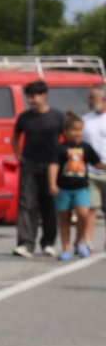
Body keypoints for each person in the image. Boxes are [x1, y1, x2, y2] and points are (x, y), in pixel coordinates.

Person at [11, 80, 64, 257]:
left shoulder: (57, 116)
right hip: (29, 164)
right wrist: (18, 156)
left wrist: (62, 161)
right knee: (27, 204)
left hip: (51, 165)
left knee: (49, 204)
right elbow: (15, 138)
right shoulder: (24, 117)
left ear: (44, 95)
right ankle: (25, 244)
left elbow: (67, 139)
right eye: (29, 96)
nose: (31, 100)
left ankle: (48, 242)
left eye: (34, 96)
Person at [49, 113, 101, 261]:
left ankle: (80, 242)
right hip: (64, 189)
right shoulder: (60, 149)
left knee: (83, 214)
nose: (77, 133)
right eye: (74, 130)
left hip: (81, 188)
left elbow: (96, 163)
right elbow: (53, 166)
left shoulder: (85, 147)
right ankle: (66, 247)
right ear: (65, 131)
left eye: (80, 130)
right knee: (64, 218)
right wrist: (52, 184)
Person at [79, 85, 106, 244]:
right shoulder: (85, 120)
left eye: (93, 98)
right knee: (91, 208)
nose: (89, 101)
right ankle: (87, 240)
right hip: (90, 171)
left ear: (104, 99)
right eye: (89, 98)